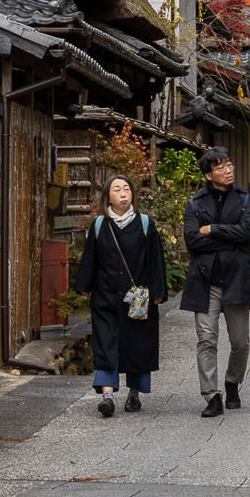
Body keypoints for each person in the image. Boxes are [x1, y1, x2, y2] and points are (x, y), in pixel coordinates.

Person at [74, 175, 168, 416]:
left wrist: (158, 292)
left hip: (138, 298)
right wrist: (83, 286)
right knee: (105, 343)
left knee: (137, 344)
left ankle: (134, 393)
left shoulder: (145, 224)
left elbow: (155, 261)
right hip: (105, 296)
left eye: (127, 189)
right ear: (108, 197)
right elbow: (90, 259)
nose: (123, 193)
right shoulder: (99, 225)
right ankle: (107, 395)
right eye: (117, 190)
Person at [179, 146, 250, 418]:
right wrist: (229, 238)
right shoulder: (196, 203)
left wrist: (213, 229)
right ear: (208, 175)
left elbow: (248, 231)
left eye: (229, 165)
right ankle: (212, 395)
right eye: (220, 167)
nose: (228, 170)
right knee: (206, 339)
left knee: (240, 342)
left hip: (237, 278)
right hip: (205, 280)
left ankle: (232, 381)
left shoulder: (244, 199)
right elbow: (192, 240)